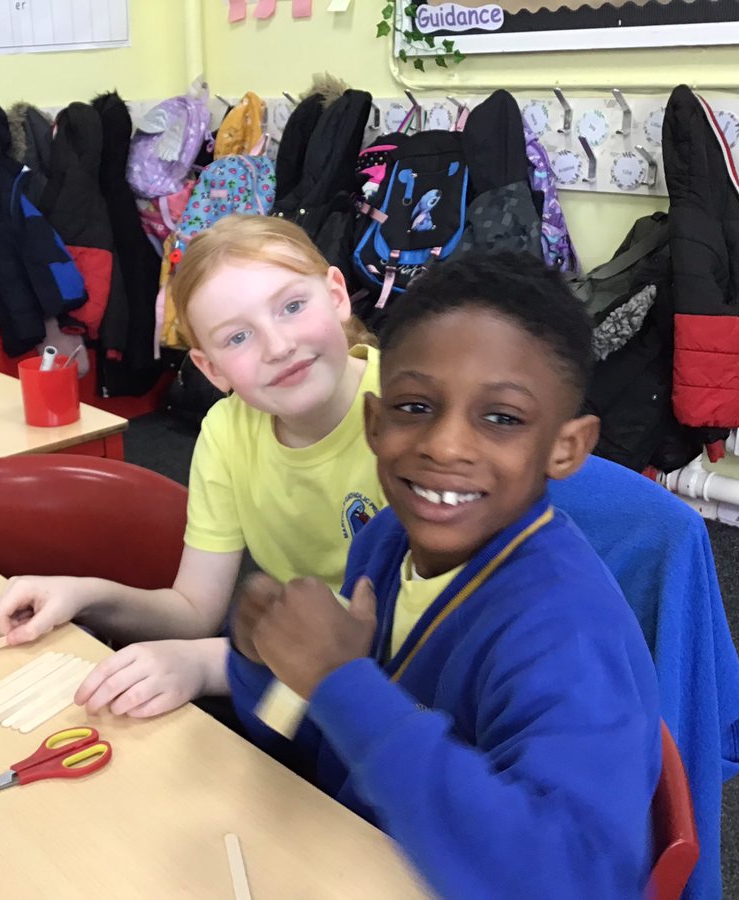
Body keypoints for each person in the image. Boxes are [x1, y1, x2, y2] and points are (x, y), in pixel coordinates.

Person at [228, 252, 662, 898]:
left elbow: (577, 877)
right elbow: (312, 742)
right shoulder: (384, 542)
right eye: (414, 406)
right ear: (375, 424)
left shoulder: (564, 634)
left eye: (502, 418)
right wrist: (269, 662)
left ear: (567, 447)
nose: (445, 446)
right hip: (347, 859)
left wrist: (341, 684)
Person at [0, 216, 385, 717]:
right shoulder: (226, 432)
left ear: (336, 295)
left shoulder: (416, 414)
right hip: (299, 680)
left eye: (292, 306)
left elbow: (416, 639)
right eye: (237, 338)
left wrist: (205, 665)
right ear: (211, 369)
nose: (279, 346)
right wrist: (83, 594)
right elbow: (195, 610)